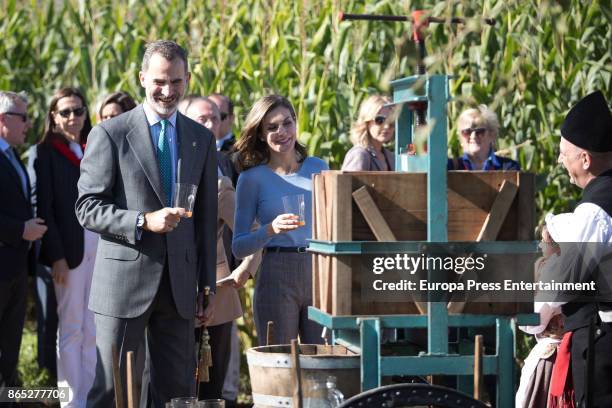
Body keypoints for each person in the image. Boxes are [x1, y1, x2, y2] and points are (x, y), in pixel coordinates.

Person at [76, 40, 217, 407]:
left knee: (176, 394)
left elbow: (204, 219)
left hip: (180, 288)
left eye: (176, 82)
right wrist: (142, 220)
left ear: (187, 79)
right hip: (123, 287)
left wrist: (207, 285)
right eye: (159, 81)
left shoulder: (201, 138)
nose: (168, 91)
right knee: (112, 391)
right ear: (142, 78)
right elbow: (87, 207)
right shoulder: (110, 133)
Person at [180, 95, 261, 401]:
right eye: (202, 118)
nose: (211, 124)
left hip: (216, 293)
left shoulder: (219, 180)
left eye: (215, 118)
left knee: (210, 390)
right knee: (172, 384)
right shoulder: (163, 167)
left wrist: (244, 270)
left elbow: (253, 231)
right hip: (171, 291)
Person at [233, 94, 328, 345]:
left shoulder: (320, 168)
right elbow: (239, 245)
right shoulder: (251, 179)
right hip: (276, 272)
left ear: (296, 123)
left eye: (287, 123)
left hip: (318, 270)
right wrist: (270, 229)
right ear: (261, 135)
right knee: (279, 361)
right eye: (272, 127)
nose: (282, 132)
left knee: (321, 360)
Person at [549, 90, 612, 407]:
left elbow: (563, 285)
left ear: (585, 159)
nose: (561, 161)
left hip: (603, 349)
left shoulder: (596, 210)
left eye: (564, 154)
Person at [34, 87, 95, 407]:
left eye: (79, 111)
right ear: (54, 117)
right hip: (67, 253)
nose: (73, 117)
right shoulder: (46, 152)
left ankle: (89, 395)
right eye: (66, 112)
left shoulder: (90, 147)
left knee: (92, 328)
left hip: (96, 245)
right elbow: (44, 208)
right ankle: (72, 401)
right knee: (71, 328)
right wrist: (55, 256)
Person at [0, 91, 47, 388]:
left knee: (10, 345)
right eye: (24, 118)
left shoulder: (12, 154)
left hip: (15, 267)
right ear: (3, 119)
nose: (28, 125)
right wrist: (20, 230)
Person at [516, 221, 565, 408]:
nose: (541, 245)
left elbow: (534, 322)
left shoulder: (555, 271)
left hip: (552, 356)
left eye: (544, 241)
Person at [447, 105, 520, 170]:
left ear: (492, 135)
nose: (473, 136)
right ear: (460, 138)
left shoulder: (509, 168)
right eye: (467, 132)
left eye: (479, 131)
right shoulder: (449, 167)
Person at [341, 95, 395, 171]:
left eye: (391, 121)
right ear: (367, 122)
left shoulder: (391, 157)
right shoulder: (359, 155)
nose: (386, 126)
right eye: (380, 120)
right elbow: (349, 182)